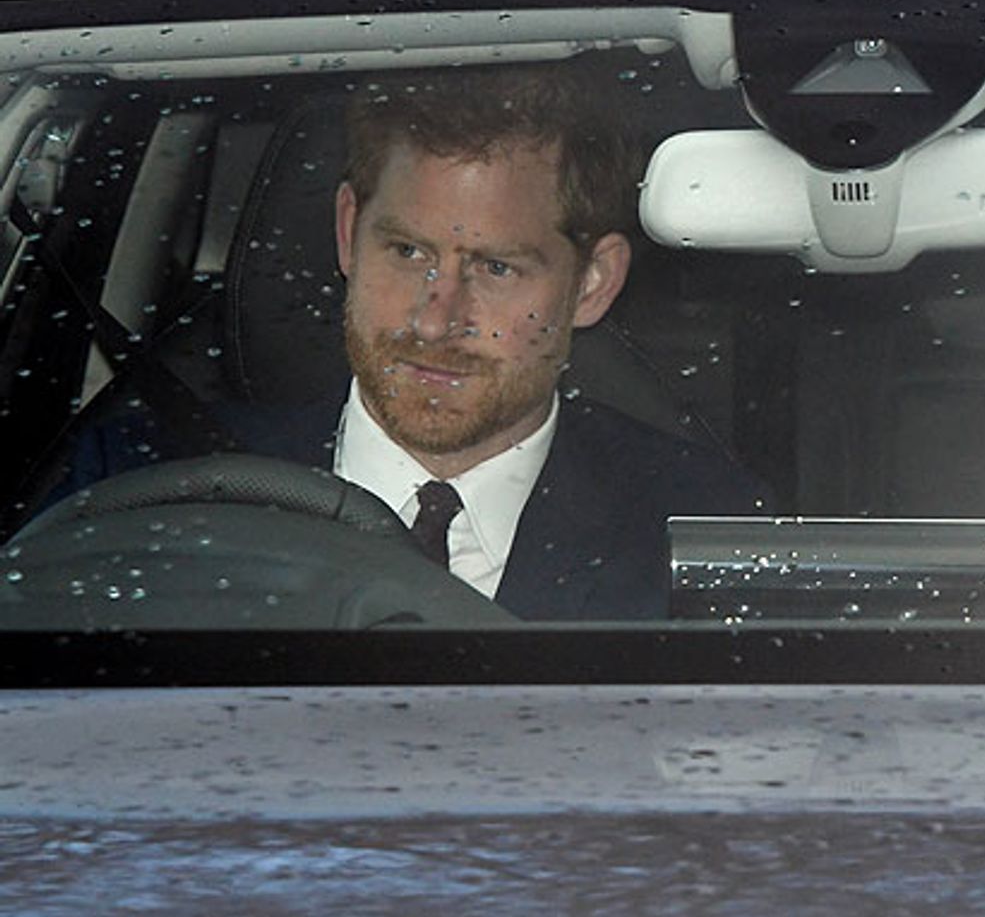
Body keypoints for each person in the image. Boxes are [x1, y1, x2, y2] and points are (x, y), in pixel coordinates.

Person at [48, 63, 766, 620]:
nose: (435, 319)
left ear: (592, 283)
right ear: (346, 233)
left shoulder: (703, 537)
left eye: (494, 267)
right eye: (407, 253)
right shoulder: (143, 497)